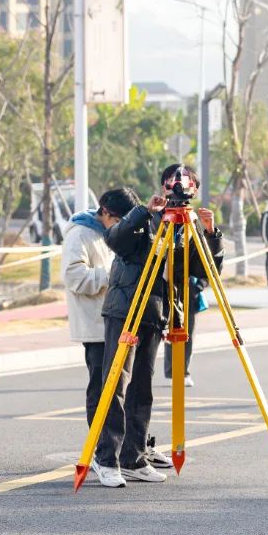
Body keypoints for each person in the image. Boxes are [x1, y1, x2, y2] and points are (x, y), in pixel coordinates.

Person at [91, 165, 223, 488]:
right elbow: (115, 240)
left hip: (154, 311)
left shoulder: (187, 226)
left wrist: (211, 235)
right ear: (163, 187)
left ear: (193, 190)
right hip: (126, 309)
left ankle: (133, 458)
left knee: (141, 388)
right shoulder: (145, 217)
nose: (176, 189)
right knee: (116, 385)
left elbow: (205, 270)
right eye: (170, 183)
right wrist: (143, 213)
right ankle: (106, 458)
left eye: (184, 184)